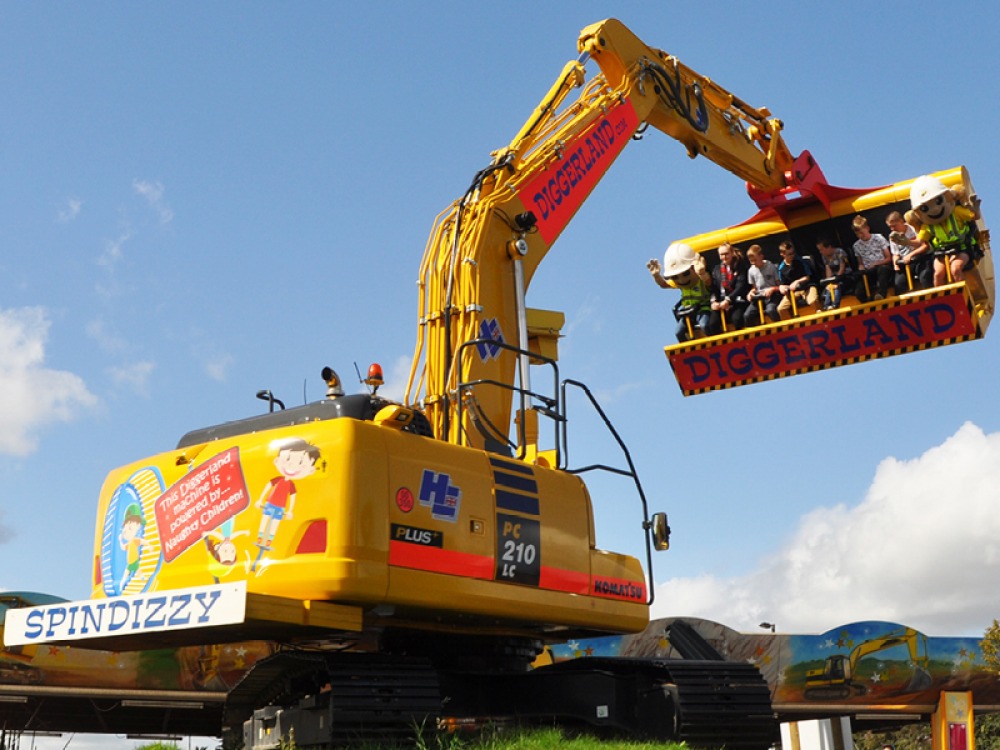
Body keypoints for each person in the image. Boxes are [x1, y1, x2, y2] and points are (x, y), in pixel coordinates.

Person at [909, 174, 983, 285]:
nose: (935, 209)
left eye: (938, 201)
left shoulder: (956, 212)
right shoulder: (928, 225)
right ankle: (939, 297)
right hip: (942, 252)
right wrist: (904, 241)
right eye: (925, 208)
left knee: (955, 268)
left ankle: (961, 294)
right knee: (938, 274)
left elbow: (974, 216)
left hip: (962, 248)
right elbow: (919, 241)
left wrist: (975, 210)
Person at [647, 242, 712, 342]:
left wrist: (702, 273)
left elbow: (709, 282)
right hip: (688, 312)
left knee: (704, 325)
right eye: (675, 276)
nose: (681, 280)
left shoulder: (700, 280)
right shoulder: (679, 284)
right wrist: (656, 276)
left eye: (686, 273)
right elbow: (664, 284)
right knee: (678, 332)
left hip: (703, 309)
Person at [708, 242, 750, 333]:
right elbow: (714, 288)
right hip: (721, 303)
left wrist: (728, 300)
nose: (724, 257)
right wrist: (713, 301)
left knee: (737, 319)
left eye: (726, 254)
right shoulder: (716, 270)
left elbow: (740, 286)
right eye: (721, 255)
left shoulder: (740, 267)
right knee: (712, 323)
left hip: (737, 301)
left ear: (731, 253)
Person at [886, 210, 932, 292]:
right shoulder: (892, 236)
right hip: (905, 263)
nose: (893, 229)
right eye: (890, 227)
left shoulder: (913, 228)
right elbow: (895, 253)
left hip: (920, 258)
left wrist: (911, 255)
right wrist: (895, 264)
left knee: (925, 276)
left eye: (894, 226)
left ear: (901, 221)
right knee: (899, 283)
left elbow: (925, 246)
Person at [851, 214, 892, 301]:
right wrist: (861, 267)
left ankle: (881, 294)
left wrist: (877, 263)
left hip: (881, 267)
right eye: (858, 234)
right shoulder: (856, 246)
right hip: (868, 271)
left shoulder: (879, 238)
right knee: (859, 291)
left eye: (862, 233)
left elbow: (888, 258)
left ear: (867, 228)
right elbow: (860, 263)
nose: (861, 236)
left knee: (883, 270)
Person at [776, 240, 819, 319]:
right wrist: (781, 287)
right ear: (782, 254)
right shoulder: (781, 268)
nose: (792, 255)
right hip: (793, 292)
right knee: (781, 309)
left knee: (813, 301)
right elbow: (782, 283)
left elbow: (807, 277)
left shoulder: (801, 261)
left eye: (793, 253)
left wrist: (797, 281)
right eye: (789, 254)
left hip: (807, 287)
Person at [744, 244, 782, 326]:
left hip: (773, 295)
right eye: (751, 261)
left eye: (755, 260)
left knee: (770, 310)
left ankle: (780, 328)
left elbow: (779, 285)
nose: (753, 263)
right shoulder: (751, 271)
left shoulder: (770, 266)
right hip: (759, 297)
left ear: (761, 256)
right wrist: (751, 293)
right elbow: (754, 288)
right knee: (747, 315)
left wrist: (772, 289)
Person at [815, 235, 851, 310]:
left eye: (822, 249)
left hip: (844, 275)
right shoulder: (824, 256)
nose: (820, 252)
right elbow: (828, 269)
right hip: (834, 276)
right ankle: (826, 306)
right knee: (829, 287)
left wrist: (836, 280)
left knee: (837, 287)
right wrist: (829, 281)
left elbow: (842, 267)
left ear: (829, 247)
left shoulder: (840, 252)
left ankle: (835, 305)